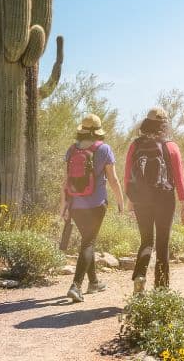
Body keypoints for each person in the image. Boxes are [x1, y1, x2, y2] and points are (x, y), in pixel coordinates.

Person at [59, 113, 124, 303]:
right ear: (98, 131)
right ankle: (76, 286)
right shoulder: (104, 149)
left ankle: (94, 282)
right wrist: (121, 201)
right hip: (96, 204)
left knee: (88, 241)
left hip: (75, 205)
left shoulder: (71, 150)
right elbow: (113, 179)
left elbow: (65, 182)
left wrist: (63, 205)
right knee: (88, 243)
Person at [124, 107, 184, 293]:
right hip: (165, 199)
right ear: (164, 125)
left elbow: (128, 174)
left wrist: (131, 199)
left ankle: (139, 276)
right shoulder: (171, 146)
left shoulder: (135, 145)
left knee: (146, 241)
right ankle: (161, 291)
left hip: (141, 200)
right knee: (162, 244)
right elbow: (179, 178)